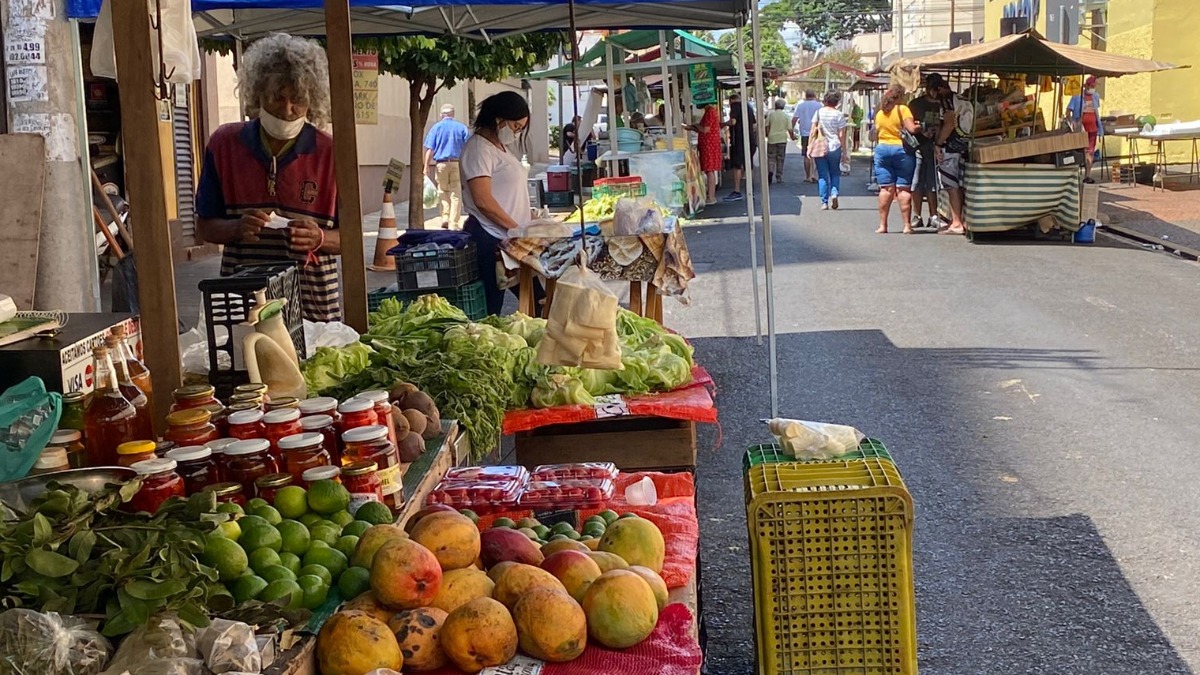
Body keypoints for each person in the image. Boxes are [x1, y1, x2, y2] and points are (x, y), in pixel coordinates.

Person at [196, 33, 341, 321]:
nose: (287, 110)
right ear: (258, 93)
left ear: (312, 100)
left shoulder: (332, 152)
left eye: (298, 100)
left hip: (313, 308)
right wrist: (237, 228)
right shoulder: (224, 144)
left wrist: (319, 237)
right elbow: (205, 227)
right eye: (277, 97)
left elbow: (351, 238)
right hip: (243, 305)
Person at [461, 91, 543, 315]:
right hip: (490, 237)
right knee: (491, 307)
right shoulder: (478, 150)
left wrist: (528, 218)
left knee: (536, 299)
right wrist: (515, 227)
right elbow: (483, 200)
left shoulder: (499, 147)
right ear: (499, 118)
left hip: (510, 237)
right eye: (515, 126)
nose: (516, 133)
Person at [872, 84, 918, 234]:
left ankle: (883, 225)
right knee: (903, 188)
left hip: (882, 149)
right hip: (901, 149)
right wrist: (920, 127)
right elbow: (911, 129)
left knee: (886, 188)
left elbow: (875, 132)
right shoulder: (902, 109)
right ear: (901, 96)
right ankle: (907, 226)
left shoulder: (880, 113)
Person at [932, 76, 974, 235]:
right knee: (957, 184)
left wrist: (938, 143)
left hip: (950, 147)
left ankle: (956, 223)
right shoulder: (960, 98)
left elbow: (949, 123)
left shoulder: (947, 101)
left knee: (951, 185)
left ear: (937, 89)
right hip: (963, 145)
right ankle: (957, 220)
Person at [908, 75, 946, 230]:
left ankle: (933, 215)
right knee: (917, 182)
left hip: (937, 147)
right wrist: (921, 130)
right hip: (918, 146)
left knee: (933, 183)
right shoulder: (916, 104)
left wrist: (939, 133)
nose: (935, 93)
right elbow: (908, 125)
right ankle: (917, 216)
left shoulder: (944, 103)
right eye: (933, 89)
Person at [423, 103, 470, 230]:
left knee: (442, 190)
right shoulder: (462, 128)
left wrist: (426, 166)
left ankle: (445, 217)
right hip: (457, 163)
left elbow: (430, 149)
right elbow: (468, 148)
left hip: (441, 164)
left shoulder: (436, 128)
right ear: (453, 114)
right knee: (456, 193)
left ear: (441, 115)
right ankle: (453, 223)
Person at [810, 91, 848, 210]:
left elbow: (813, 130)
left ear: (825, 100)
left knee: (822, 175)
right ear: (837, 102)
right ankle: (834, 193)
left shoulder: (818, 112)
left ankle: (824, 202)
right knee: (835, 173)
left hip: (820, 146)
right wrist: (844, 150)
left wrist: (809, 146)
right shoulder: (839, 115)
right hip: (835, 147)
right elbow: (841, 134)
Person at [685, 103, 722, 205]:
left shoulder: (710, 112)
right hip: (708, 144)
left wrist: (695, 125)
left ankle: (711, 197)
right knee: (709, 170)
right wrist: (693, 128)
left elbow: (705, 129)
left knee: (709, 170)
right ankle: (710, 195)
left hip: (709, 144)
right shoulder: (709, 112)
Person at [1068, 75, 1103, 184]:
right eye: (1092, 86)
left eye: (1094, 86)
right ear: (1087, 86)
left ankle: (1087, 175)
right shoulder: (1077, 97)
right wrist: (1072, 123)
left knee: (1090, 152)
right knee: (1079, 152)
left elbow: (1096, 111)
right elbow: (1068, 111)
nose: (1093, 88)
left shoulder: (1095, 96)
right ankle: (1075, 175)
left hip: (1093, 128)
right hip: (1080, 129)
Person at [723, 92, 756, 202]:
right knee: (748, 165)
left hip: (738, 140)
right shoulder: (749, 107)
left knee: (737, 165)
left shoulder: (735, 107)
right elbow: (754, 125)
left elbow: (733, 122)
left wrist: (723, 124)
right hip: (750, 139)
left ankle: (737, 191)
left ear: (731, 101)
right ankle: (750, 190)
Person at [791, 90, 823, 183]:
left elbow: (794, 119)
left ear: (806, 96)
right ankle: (814, 175)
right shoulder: (819, 105)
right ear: (814, 95)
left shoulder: (801, 105)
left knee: (806, 155)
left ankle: (808, 176)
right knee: (817, 155)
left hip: (805, 133)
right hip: (817, 132)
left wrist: (791, 131)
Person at [765, 98, 791, 184]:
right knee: (780, 158)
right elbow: (790, 129)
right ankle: (779, 176)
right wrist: (792, 136)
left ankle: (770, 171)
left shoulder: (770, 115)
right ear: (783, 107)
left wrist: (767, 134)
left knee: (771, 157)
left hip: (772, 139)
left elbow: (767, 126)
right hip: (782, 139)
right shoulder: (786, 116)